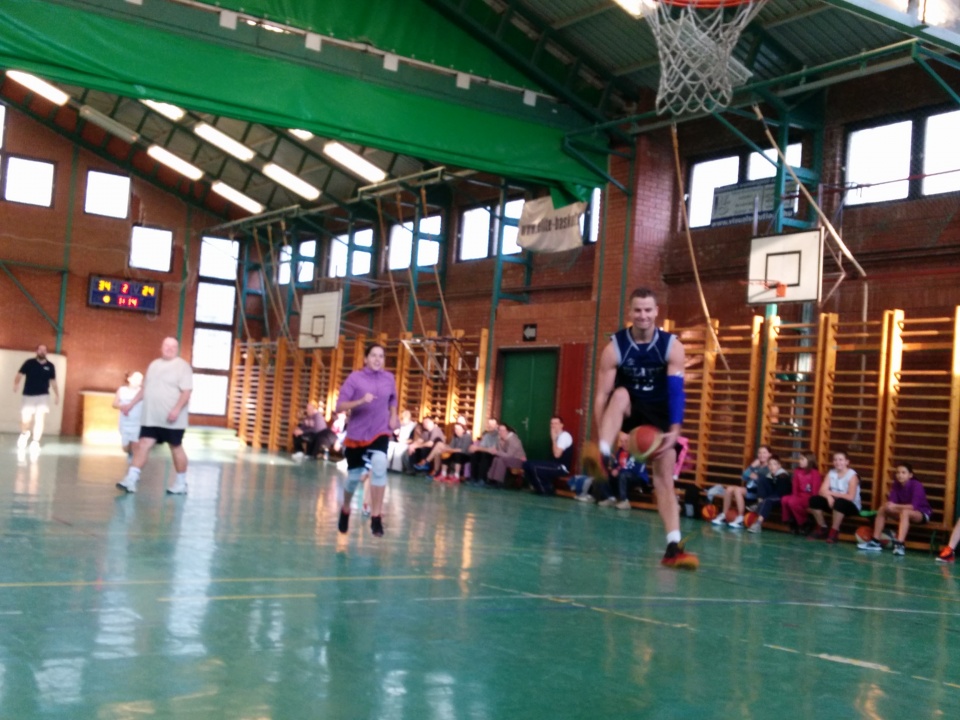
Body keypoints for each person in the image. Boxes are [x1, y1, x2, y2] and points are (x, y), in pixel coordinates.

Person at [591, 287, 697, 569]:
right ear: (630, 312)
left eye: (648, 310)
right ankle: (602, 455)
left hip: (660, 414)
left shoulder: (671, 346)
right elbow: (601, 396)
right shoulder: (614, 348)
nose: (643, 315)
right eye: (637, 310)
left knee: (664, 479)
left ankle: (673, 546)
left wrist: (675, 429)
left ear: (656, 311)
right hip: (630, 408)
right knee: (619, 394)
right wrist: (609, 433)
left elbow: (676, 392)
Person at [334, 343, 398, 537]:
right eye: (373, 355)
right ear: (365, 359)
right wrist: (360, 401)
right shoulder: (355, 378)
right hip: (357, 434)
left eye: (381, 356)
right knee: (354, 478)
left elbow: (393, 399)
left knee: (379, 466)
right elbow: (339, 406)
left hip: (380, 430)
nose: (377, 359)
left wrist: (393, 416)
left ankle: (376, 516)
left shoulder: (389, 378)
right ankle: (346, 508)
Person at [116, 337, 193, 495]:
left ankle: (181, 483)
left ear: (177, 349)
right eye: (166, 345)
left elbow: (187, 392)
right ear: (161, 347)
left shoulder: (182, 366)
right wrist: (130, 405)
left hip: (172, 419)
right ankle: (131, 480)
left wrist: (176, 409)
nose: (169, 349)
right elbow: (145, 389)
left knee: (175, 447)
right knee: (143, 444)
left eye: (173, 346)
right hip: (151, 417)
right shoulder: (154, 365)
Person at [859, 463, 932, 556]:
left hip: (921, 513)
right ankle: (875, 541)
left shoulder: (917, 485)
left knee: (905, 512)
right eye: (898, 472)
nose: (900, 475)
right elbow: (891, 503)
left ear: (910, 475)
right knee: (882, 509)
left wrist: (895, 506)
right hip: (902, 513)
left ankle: (900, 545)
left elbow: (913, 507)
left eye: (903, 472)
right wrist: (888, 506)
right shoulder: (896, 485)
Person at [712, 445, 772, 529]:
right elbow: (743, 476)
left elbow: (765, 483)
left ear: (769, 454)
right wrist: (752, 466)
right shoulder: (756, 466)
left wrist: (757, 478)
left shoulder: (769, 468)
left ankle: (740, 518)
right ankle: (724, 514)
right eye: (760, 453)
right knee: (729, 489)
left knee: (737, 490)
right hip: (749, 490)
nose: (762, 455)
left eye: (764, 453)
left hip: (758, 493)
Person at [13, 344, 60, 450]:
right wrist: (16, 383)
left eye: (44, 350)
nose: (42, 351)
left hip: (43, 395)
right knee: (26, 419)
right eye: (40, 349)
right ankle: (24, 434)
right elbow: (19, 375)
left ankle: (35, 441)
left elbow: (53, 381)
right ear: (36, 351)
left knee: (40, 419)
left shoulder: (50, 366)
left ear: (46, 352)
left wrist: (57, 394)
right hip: (28, 395)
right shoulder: (29, 363)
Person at [808, 450, 861, 543]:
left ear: (847, 462)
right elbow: (821, 491)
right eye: (835, 460)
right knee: (814, 500)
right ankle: (822, 527)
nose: (837, 462)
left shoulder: (852, 476)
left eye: (840, 460)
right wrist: (828, 497)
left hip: (850, 506)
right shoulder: (831, 473)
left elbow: (850, 497)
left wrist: (831, 493)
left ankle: (834, 531)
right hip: (833, 503)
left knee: (840, 502)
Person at [523, 416, 574, 495]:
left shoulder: (564, 436)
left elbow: (557, 455)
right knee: (526, 464)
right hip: (552, 464)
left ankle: (546, 490)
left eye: (556, 423)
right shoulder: (555, 436)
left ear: (561, 425)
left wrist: (553, 440)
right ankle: (537, 487)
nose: (553, 426)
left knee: (534, 467)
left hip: (561, 467)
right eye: (552, 423)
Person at [748, 454, 792, 534]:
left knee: (767, 501)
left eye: (774, 464)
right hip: (774, 495)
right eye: (770, 464)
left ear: (779, 465)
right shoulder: (771, 475)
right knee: (762, 480)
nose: (772, 467)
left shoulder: (783, 476)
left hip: (782, 497)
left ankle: (758, 523)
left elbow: (780, 493)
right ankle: (759, 503)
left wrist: (766, 499)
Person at [780, 452, 822, 534]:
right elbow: (795, 486)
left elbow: (815, 490)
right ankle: (789, 520)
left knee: (792, 502)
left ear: (809, 460)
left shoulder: (814, 473)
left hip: (809, 497)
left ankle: (804, 521)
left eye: (802, 459)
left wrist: (813, 503)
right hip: (799, 495)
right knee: (784, 499)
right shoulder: (797, 471)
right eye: (800, 459)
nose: (800, 461)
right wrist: (794, 496)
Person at [112, 371, 143, 463]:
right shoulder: (122, 390)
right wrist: (122, 406)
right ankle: (129, 453)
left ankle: (133, 465)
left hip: (137, 423)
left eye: (140, 379)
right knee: (125, 447)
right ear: (129, 379)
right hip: (125, 422)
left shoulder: (142, 392)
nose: (138, 381)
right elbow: (114, 404)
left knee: (136, 444)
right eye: (136, 378)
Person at [485, 423, 526, 487]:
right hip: (508, 459)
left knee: (501, 460)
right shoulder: (500, 439)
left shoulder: (513, 440)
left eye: (503, 430)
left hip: (518, 460)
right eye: (499, 430)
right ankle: (491, 479)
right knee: (496, 459)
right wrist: (497, 448)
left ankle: (498, 481)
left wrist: (496, 452)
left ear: (507, 431)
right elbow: (500, 452)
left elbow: (509, 455)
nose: (500, 432)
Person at [468, 418, 499, 485]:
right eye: (489, 424)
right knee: (475, 455)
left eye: (492, 424)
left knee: (485, 456)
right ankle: (473, 478)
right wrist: (478, 449)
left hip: (495, 455)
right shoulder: (486, 435)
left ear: (496, 426)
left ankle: (482, 479)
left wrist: (478, 448)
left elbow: (492, 450)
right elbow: (482, 446)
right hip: (486, 452)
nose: (490, 426)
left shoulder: (498, 436)